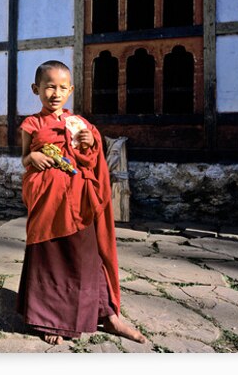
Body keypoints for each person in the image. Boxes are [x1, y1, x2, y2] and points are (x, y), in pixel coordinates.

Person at [16, 60, 146, 346]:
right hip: (47, 203)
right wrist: (32, 158)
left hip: (80, 204)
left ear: (71, 90)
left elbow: (89, 162)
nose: (56, 93)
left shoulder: (80, 124)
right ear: (36, 89)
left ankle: (108, 314)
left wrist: (90, 143)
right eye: (49, 86)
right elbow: (25, 158)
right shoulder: (32, 124)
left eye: (63, 88)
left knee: (89, 258)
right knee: (49, 260)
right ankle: (51, 319)